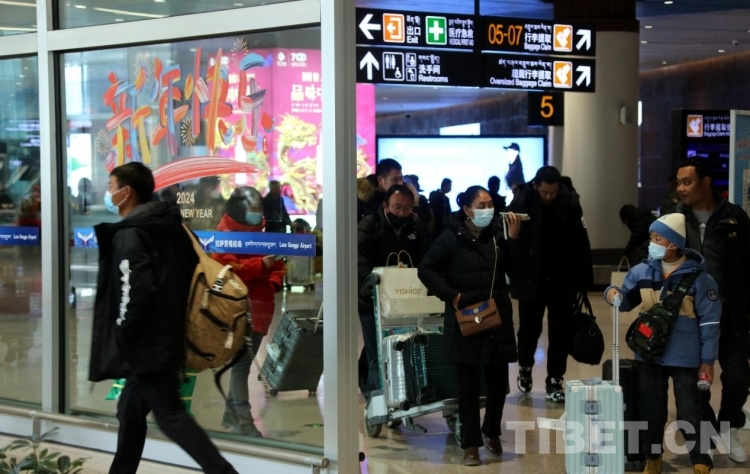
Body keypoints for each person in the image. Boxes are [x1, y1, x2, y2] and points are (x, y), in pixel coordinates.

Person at [88, 162, 237, 474]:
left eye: (111, 187)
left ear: (127, 192)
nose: (108, 193)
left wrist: (123, 332)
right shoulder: (171, 228)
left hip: (148, 343)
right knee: (130, 411)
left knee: (171, 416)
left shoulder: (131, 234)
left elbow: (135, 290)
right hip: (169, 334)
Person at [605, 213, 719, 474]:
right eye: (651, 237)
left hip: (686, 356)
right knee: (651, 408)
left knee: (690, 409)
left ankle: (700, 459)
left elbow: (710, 324)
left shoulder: (701, 280)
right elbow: (625, 301)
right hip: (649, 353)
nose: (652, 243)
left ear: (674, 244)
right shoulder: (641, 272)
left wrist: (707, 361)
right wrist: (611, 293)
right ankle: (652, 456)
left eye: (658, 238)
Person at [418, 186, 520, 466]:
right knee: (468, 386)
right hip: (465, 317)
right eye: (481, 205)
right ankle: (471, 445)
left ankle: (492, 431)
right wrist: (452, 296)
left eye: (490, 204)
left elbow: (517, 272)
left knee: (498, 383)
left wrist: (513, 240)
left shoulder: (499, 235)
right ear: (467, 210)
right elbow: (425, 269)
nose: (488, 210)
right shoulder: (451, 236)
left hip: (496, 316)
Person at [675, 159, 750, 463]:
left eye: (687, 182)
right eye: (678, 183)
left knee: (738, 378)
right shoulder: (676, 219)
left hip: (731, 314)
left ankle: (728, 428)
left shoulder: (735, 217)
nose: (681, 189)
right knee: (696, 383)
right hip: (690, 317)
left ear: (705, 182)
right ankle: (706, 434)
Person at [509, 166, 593, 402]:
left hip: (562, 279)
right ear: (535, 185)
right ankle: (525, 366)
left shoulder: (570, 204)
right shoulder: (522, 201)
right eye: (545, 192)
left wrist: (585, 280)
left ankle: (555, 379)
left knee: (560, 333)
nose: (549, 196)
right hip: (531, 278)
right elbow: (510, 239)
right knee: (528, 330)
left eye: (553, 192)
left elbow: (581, 241)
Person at [212, 186, 285, 437]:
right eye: (253, 208)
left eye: (260, 208)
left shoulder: (261, 233)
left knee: (243, 363)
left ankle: (231, 415)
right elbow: (226, 269)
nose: (258, 212)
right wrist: (260, 266)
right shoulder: (224, 234)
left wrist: (273, 281)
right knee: (241, 366)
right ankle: (244, 421)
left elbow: (277, 265)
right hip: (238, 309)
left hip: (262, 308)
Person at [357, 184, 432, 399]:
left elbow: (427, 258)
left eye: (407, 208)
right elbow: (359, 258)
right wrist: (371, 284)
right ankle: (376, 400)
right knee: (376, 352)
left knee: (403, 348)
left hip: (406, 299)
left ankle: (403, 395)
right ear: (385, 205)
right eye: (397, 207)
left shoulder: (417, 226)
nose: (401, 213)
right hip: (371, 300)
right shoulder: (369, 225)